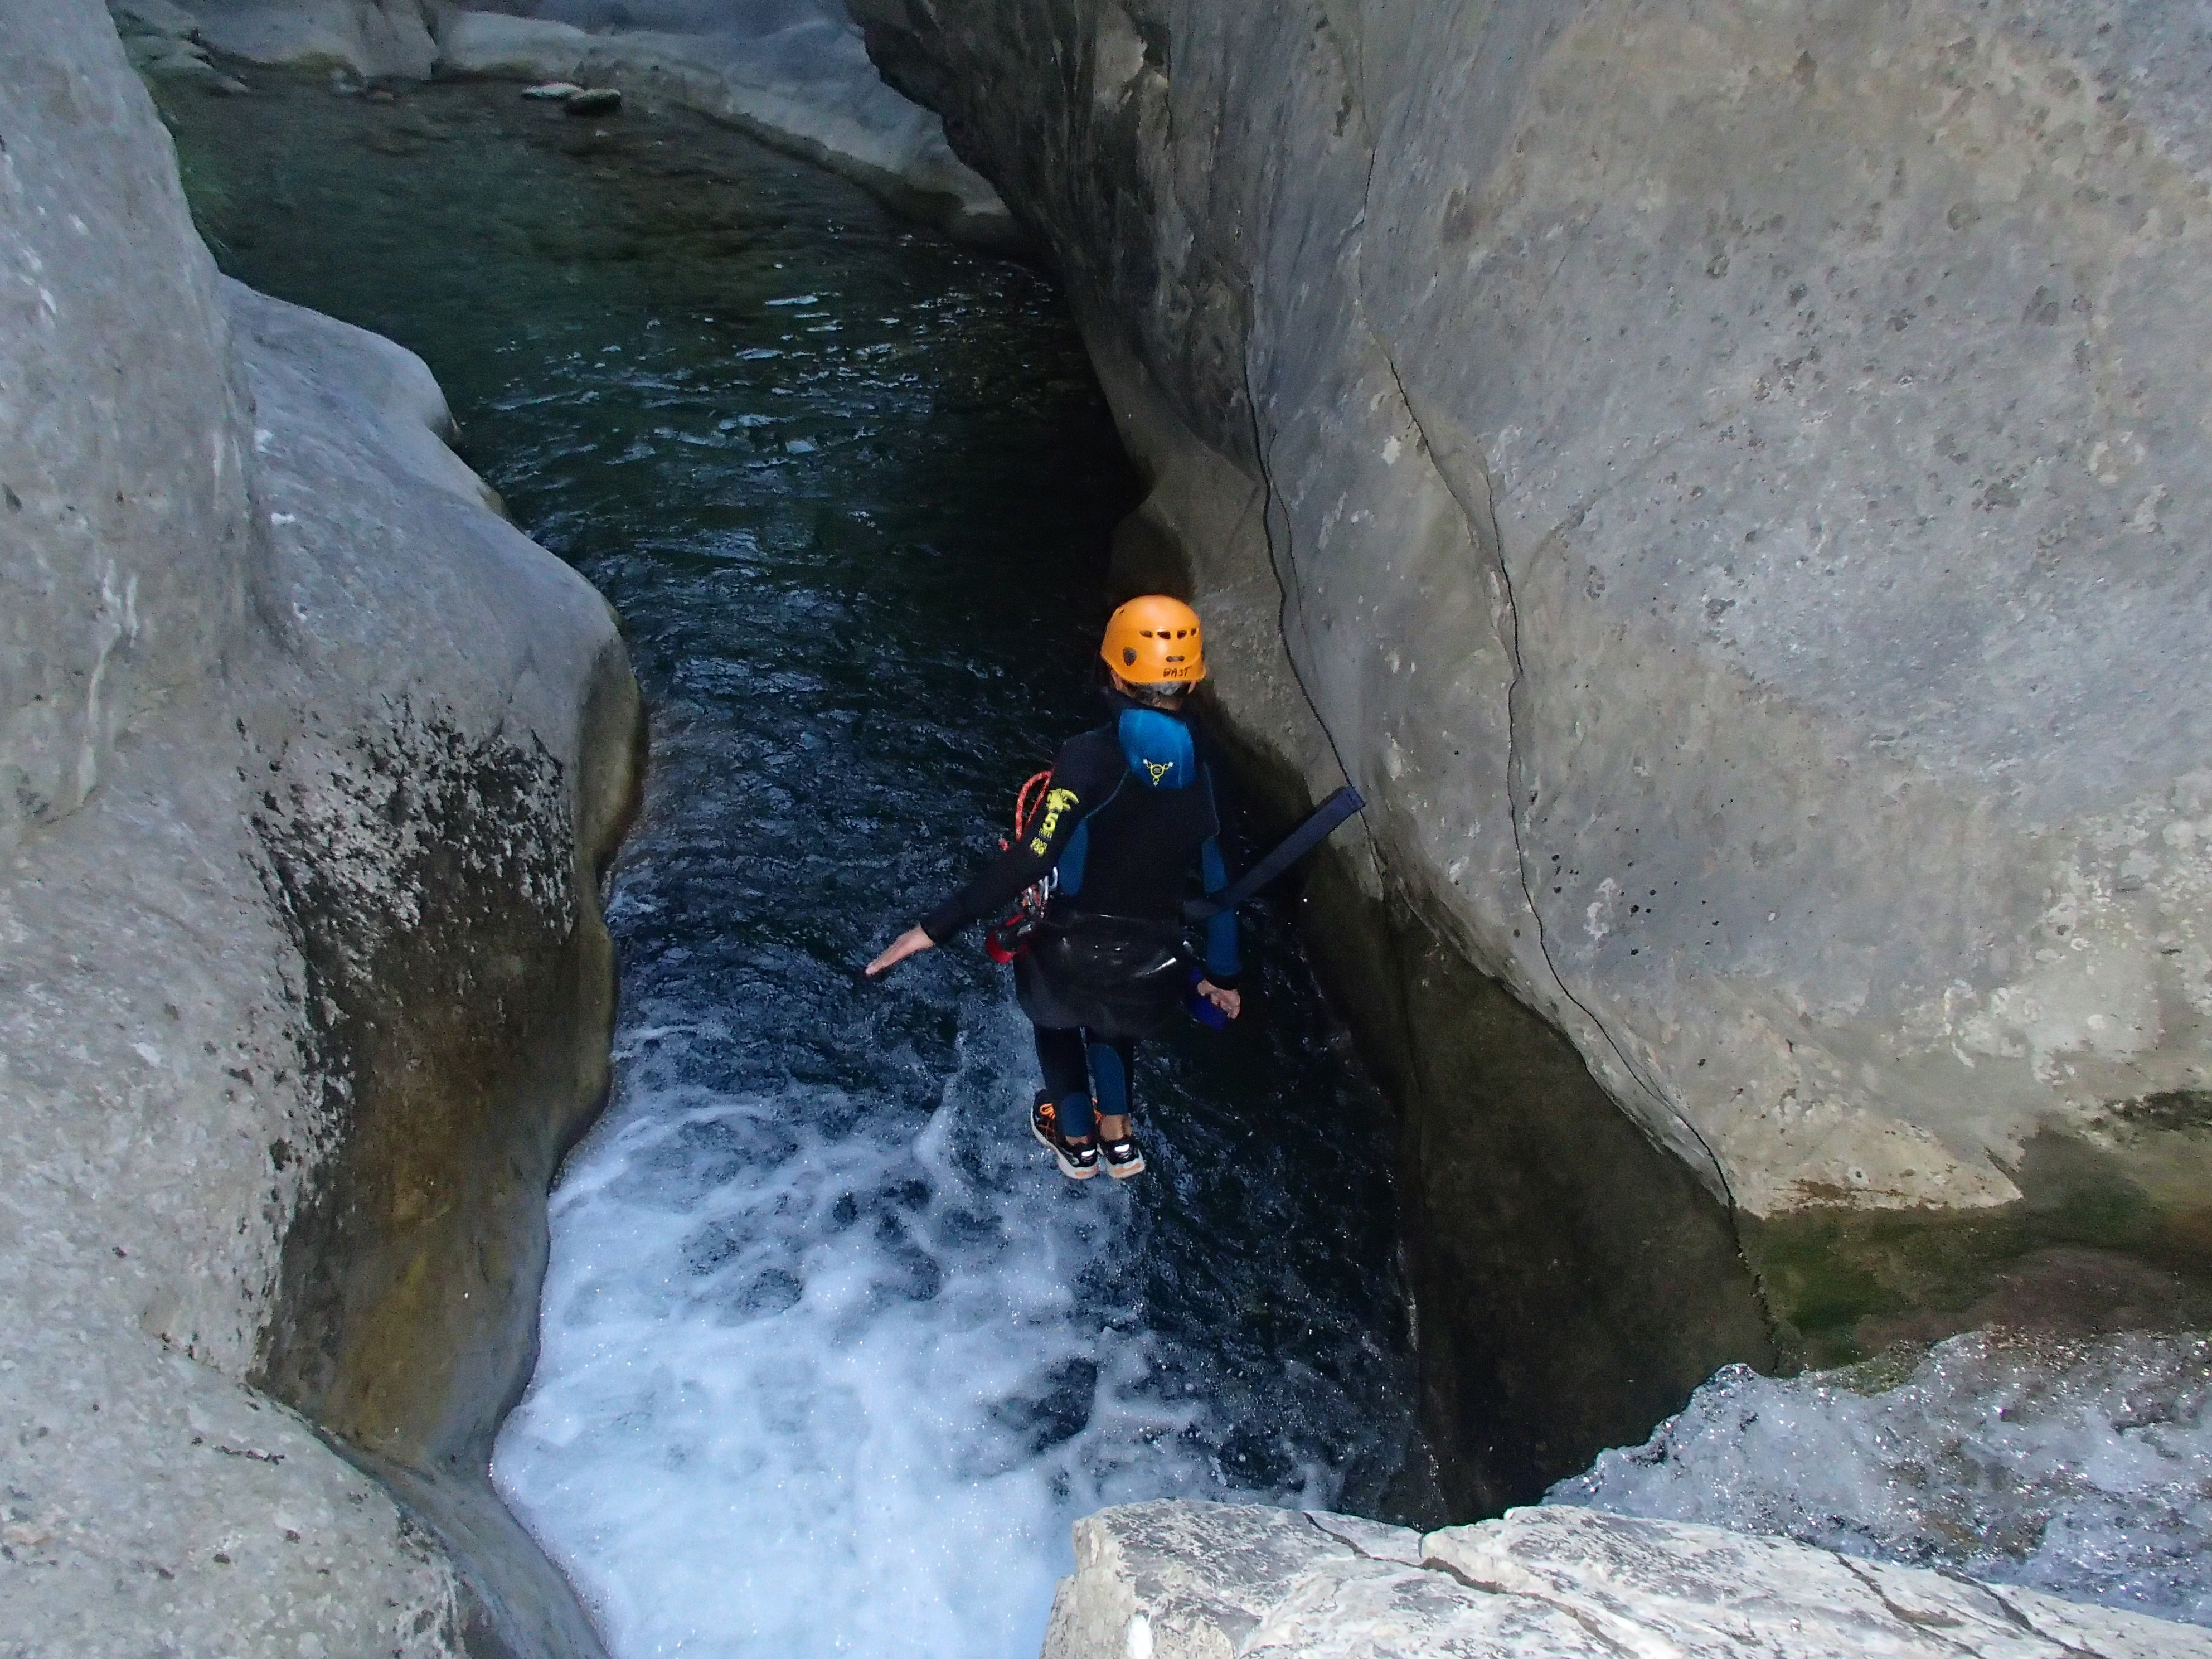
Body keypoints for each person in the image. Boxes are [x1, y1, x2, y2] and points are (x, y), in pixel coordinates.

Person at [865, 595, 1243, 1180]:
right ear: (1191, 679)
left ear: (1115, 673)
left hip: (1065, 957)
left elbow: (1030, 857)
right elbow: (1219, 877)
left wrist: (931, 929)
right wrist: (1223, 973)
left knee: (1060, 1023)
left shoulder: (1086, 758)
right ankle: (1118, 1140)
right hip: (1153, 960)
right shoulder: (1204, 764)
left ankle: (1076, 1142)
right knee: (1115, 1022)